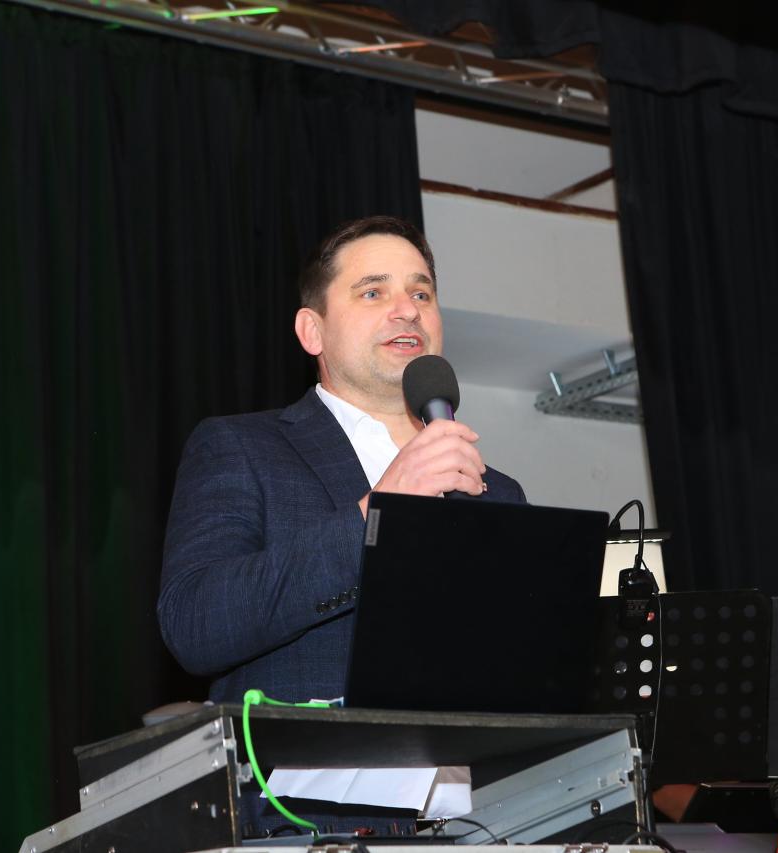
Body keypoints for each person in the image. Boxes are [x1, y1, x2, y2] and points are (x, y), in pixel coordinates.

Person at [158, 215, 527, 706]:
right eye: (373, 292)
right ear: (312, 331)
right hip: (308, 757)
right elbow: (195, 625)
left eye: (421, 294)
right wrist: (376, 515)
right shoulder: (241, 447)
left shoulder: (498, 491)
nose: (408, 311)